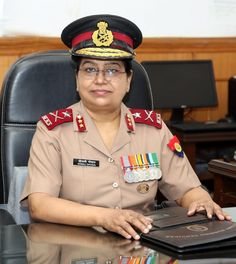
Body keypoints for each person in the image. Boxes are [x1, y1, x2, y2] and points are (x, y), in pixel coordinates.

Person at [20, 14, 231, 240]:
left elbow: (187, 189)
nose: (100, 79)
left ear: (129, 79)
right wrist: (104, 217)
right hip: (74, 245)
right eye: (90, 69)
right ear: (77, 78)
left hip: (143, 244)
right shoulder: (52, 130)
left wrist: (200, 201)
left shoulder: (153, 129)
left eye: (112, 70)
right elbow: (39, 205)